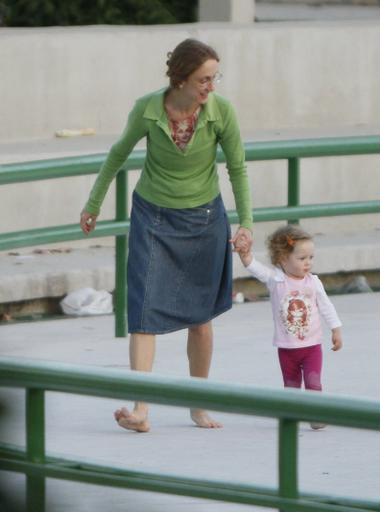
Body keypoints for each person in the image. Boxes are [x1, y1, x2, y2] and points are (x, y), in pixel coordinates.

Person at [79, 39, 254, 432]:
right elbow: (117, 155)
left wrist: (246, 223)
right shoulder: (148, 109)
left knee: (201, 316)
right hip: (152, 217)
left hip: (205, 219)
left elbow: (238, 169)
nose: (211, 86)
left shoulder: (221, 112)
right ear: (180, 79)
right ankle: (141, 409)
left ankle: (198, 404)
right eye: (203, 79)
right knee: (143, 313)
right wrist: (93, 204)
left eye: (214, 78)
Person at [235, 224, 343, 430]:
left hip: (312, 346)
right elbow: (254, 267)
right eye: (302, 259)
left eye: (311, 258)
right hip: (287, 348)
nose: (308, 263)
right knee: (291, 385)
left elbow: (326, 306)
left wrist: (336, 328)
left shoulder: (313, 282)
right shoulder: (276, 280)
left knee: (313, 383)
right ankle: (291, 415)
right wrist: (245, 254)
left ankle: (316, 415)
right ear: (283, 259)